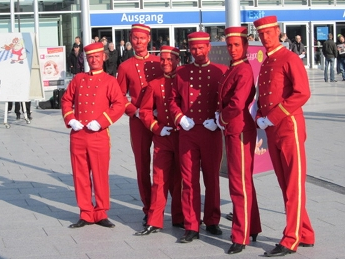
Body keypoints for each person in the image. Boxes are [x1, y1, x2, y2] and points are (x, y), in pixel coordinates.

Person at [253, 15, 315, 257]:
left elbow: (302, 93)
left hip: (289, 128)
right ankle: (306, 232)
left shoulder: (289, 58)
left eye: (268, 33)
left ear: (278, 31)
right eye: (260, 34)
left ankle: (291, 239)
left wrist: (274, 116)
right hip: (272, 129)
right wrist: (259, 115)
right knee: (285, 184)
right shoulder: (267, 62)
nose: (265, 37)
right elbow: (265, 94)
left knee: (293, 186)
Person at [169, 31, 228, 243]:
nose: (197, 52)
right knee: (189, 179)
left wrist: (219, 119)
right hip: (188, 132)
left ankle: (212, 220)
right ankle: (191, 224)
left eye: (201, 48)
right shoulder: (182, 72)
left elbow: (228, 101)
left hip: (210, 132)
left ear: (209, 48)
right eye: (193, 49)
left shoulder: (221, 71)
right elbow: (172, 100)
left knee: (212, 177)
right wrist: (180, 117)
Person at [61, 42, 125, 229]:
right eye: (90, 57)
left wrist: (102, 121)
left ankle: (101, 212)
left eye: (97, 56)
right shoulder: (78, 79)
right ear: (86, 59)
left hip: (98, 135)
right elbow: (66, 100)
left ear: (103, 57)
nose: (94, 60)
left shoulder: (110, 81)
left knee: (100, 174)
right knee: (80, 175)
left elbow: (119, 105)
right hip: (79, 135)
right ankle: (85, 212)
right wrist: (71, 119)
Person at [216, 26, 262, 254]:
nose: (232, 49)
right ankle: (251, 226)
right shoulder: (233, 69)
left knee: (238, 184)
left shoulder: (243, 70)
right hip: (234, 129)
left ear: (245, 46)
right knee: (243, 181)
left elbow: (237, 103)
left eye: (237, 45)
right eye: (229, 45)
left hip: (239, 130)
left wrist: (221, 118)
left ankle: (240, 236)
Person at [117, 24, 163, 226]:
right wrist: (134, 110)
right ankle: (148, 207)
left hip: (160, 119)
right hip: (137, 120)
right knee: (142, 164)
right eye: (135, 38)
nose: (138, 42)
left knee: (164, 164)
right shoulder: (125, 66)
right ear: (130, 39)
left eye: (142, 38)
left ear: (149, 39)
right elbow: (119, 97)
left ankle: (167, 206)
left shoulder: (159, 62)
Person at [135, 46, 184, 236]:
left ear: (177, 60)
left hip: (183, 136)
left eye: (169, 59)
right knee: (159, 179)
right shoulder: (154, 84)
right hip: (163, 137)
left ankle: (180, 217)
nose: (165, 63)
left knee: (182, 179)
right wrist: (157, 127)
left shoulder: (184, 80)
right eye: (162, 59)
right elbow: (144, 111)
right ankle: (155, 219)